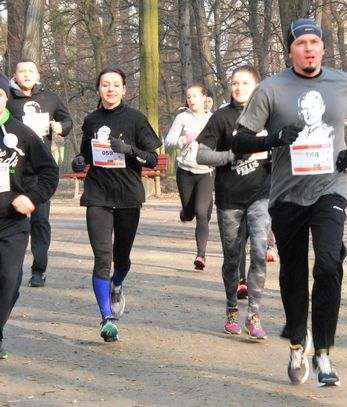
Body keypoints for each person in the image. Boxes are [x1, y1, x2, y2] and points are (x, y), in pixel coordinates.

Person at [230, 18, 347, 387]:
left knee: (327, 264)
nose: (309, 49)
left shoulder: (343, 83)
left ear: (323, 48)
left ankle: (323, 352)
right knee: (293, 272)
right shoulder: (272, 90)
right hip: (287, 194)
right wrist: (273, 139)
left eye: (314, 42)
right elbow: (239, 142)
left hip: (330, 189)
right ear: (290, 50)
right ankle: (297, 343)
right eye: (301, 43)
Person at [71, 67, 161, 342]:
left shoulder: (136, 119)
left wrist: (130, 151)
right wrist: (79, 162)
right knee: (102, 258)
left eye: (115, 85)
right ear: (98, 90)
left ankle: (118, 283)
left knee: (121, 259)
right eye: (105, 85)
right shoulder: (91, 120)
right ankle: (106, 318)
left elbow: (153, 159)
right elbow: (85, 155)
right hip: (97, 195)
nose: (110, 89)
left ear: (124, 89)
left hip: (127, 198)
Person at [196, 65, 271, 340]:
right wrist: (231, 155)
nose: (238, 87)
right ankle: (231, 308)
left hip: (261, 195)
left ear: (256, 87)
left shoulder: (268, 115)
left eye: (244, 83)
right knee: (232, 257)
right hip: (229, 199)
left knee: (260, 252)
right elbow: (202, 156)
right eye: (234, 83)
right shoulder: (221, 117)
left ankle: (253, 314)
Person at [0, 72, 59, 359]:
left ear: (6, 98)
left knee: (8, 281)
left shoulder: (21, 134)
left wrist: (31, 197)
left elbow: (49, 172)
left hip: (11, 223)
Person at [7, 59, 73, 287]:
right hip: (11, 169)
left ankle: (38, 269)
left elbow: (67, 120)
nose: (26, 75)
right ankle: (9, 268)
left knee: (40, 220)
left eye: (31, 71)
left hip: (39, 170)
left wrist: (61, 127)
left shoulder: (50, 98)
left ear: (38, 74)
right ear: (14, 75)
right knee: (9, 218)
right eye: (22, 71)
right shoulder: (6, 98)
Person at [164, 84, 213, 270]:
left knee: (202, 213)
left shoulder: (213, 119)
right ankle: (186, 212)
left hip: (205, 172)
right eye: (188, 96)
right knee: (190, 212)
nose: (191, 99)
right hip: (185, 171)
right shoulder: (182, 118)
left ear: (203, 98)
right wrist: (185, 139)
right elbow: (168, 142)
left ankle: (201, 256)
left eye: (194, 96)